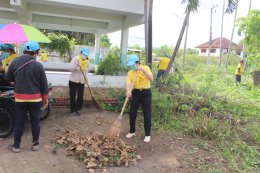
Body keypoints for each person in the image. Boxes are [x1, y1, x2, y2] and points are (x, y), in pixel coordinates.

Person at [5, 41, 49, 153]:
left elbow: (8, 77)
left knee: (19, 121)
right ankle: (35, 144)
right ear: (34, 52)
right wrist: (45, 98)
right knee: (35, 121)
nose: (37, 54)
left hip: (20, 98)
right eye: (37, 52)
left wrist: (16, 81)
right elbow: (44, 84)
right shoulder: (38, 65)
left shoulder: (15, 61)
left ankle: (16, 147)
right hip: (35, 99)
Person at [125, 54, 153, 143]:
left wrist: (143, 70)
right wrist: (128, 91)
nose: (132, 67)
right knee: (132, 112)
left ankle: (147, 134)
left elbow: (151, 78)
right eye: (131, 65)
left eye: (133, 65)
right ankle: (132, 131)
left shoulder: (146, 68)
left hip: (146, 93)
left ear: (138, 63)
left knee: (147, 114)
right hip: (136, 93)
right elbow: (128, 84)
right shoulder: (130, 73)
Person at [68, 47, 89, 116]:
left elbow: (86, 72)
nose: (85, 56)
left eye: (86, 55)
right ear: (81, 53)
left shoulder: (87, 62)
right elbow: (70, 69)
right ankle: (72, 110)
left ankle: (77, 109)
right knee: (72, 96)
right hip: (73, 80)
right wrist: (76, 66)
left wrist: (86, 79)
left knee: (80, 96)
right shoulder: (75, 59)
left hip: (81, 81)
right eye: (84, 54)